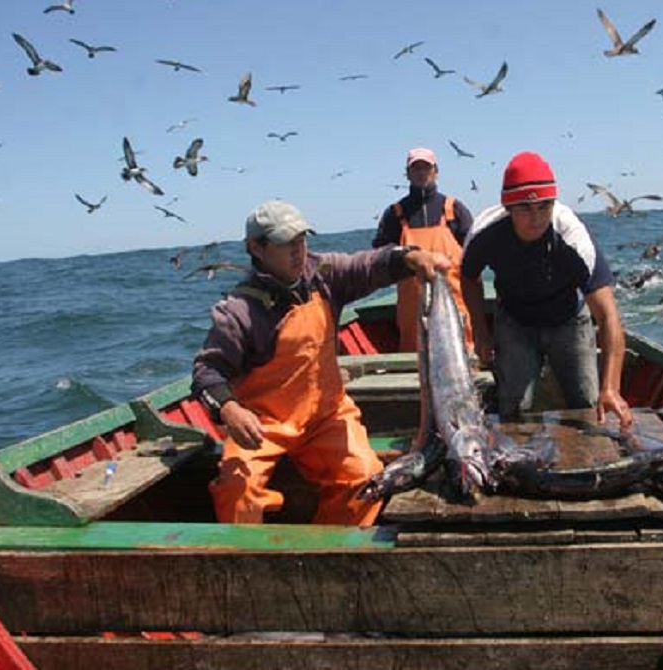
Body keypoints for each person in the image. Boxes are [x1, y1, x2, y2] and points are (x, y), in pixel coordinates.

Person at [192, 199, 449, 525]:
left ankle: (327, 552)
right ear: (256, 248)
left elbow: (369, 264)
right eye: (287, 244)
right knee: (236, 492)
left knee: (366, 479)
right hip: (264, 427)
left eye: (302, 241)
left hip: (327, 416)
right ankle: (249, 564)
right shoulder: (237, 311)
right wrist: (229, 409)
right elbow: (205, 373)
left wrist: (411, 256)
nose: (299, 252)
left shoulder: (323, 274)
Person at [460, 151, 634, 427]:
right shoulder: (485, 233)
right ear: (508, 208)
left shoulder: (573, 239)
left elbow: (608, 317)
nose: (536, 218)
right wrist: (481, 332)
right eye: (526, 209)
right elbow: (468, 278)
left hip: (568, 319)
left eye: (544, 207)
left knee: (587, 403)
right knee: (514, 408)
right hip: (515, 320)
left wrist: (610, 388)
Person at [373, 147, 475, 352]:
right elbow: (379, 258)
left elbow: (475, 255)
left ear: (436, 170)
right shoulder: (395, 214)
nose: (421, 172)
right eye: (416, 168)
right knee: (416, 369)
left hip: (454, 308)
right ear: (408, 173)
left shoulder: (454, 209)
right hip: (413, 313)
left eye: (426, 167)